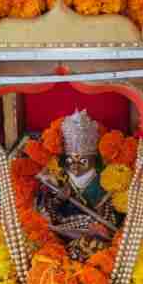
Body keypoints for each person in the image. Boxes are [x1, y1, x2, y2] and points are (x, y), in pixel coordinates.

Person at [35, 110, 120, 260]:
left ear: (93, 160)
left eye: (82, 161)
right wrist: (59, 199)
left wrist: (100, 215)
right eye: (70, 161)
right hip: (62, 230)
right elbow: (46, 211)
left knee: (98, 240)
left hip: (96, 232)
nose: (75, 167)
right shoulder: (58, 178)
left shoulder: (106, 181)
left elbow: (112, 218)